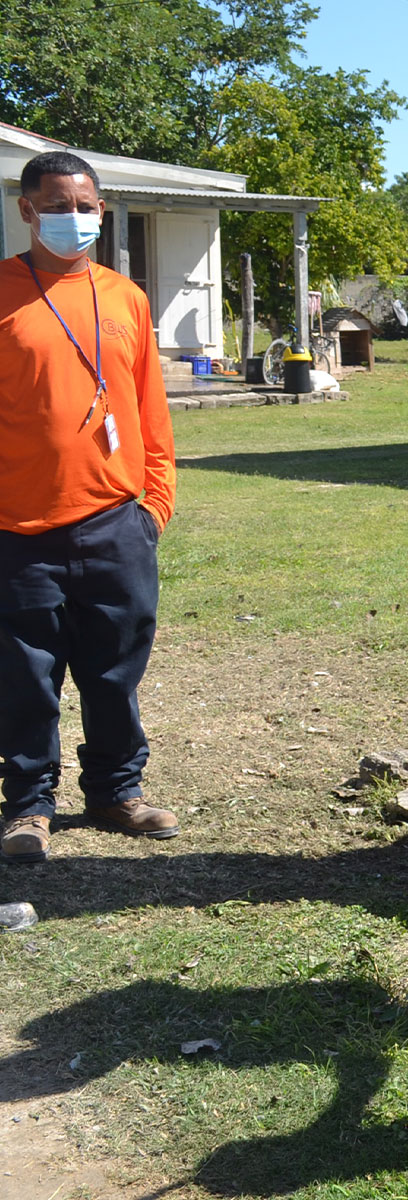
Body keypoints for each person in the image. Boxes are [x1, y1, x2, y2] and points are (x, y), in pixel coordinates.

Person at [0, 151, 179, 865]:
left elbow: (148, 407)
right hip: (17, 529)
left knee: (114, 670)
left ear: (101, 211)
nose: (72, 218)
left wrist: (154, 504)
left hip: (116, 525)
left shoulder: (125, 297)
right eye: (55, 204)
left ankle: (114, 792)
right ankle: (29, 807)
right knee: (25, 676)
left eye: (84, 206)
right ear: (26, 210)